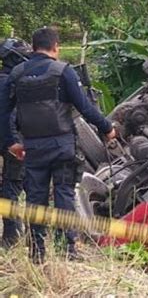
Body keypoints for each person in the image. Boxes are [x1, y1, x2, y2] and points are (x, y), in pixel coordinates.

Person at [0, 28, 116, 262]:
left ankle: (37, 252)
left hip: (32, 147)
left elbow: (3, 112)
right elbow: (84, 107)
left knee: (35, 197)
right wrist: (107, 128)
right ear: (55, 46)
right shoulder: (63, 72)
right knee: (63, 193)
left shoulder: (16, 74)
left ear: (33, 47)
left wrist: (11, 142)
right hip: (62, 145)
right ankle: (66, 249)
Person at [0, 38, 31, 247]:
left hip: (9, 140)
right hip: (13, 143)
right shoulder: (11, 81)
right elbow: (10, 116)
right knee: (15, 186)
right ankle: (13, 235)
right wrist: (14, 143)